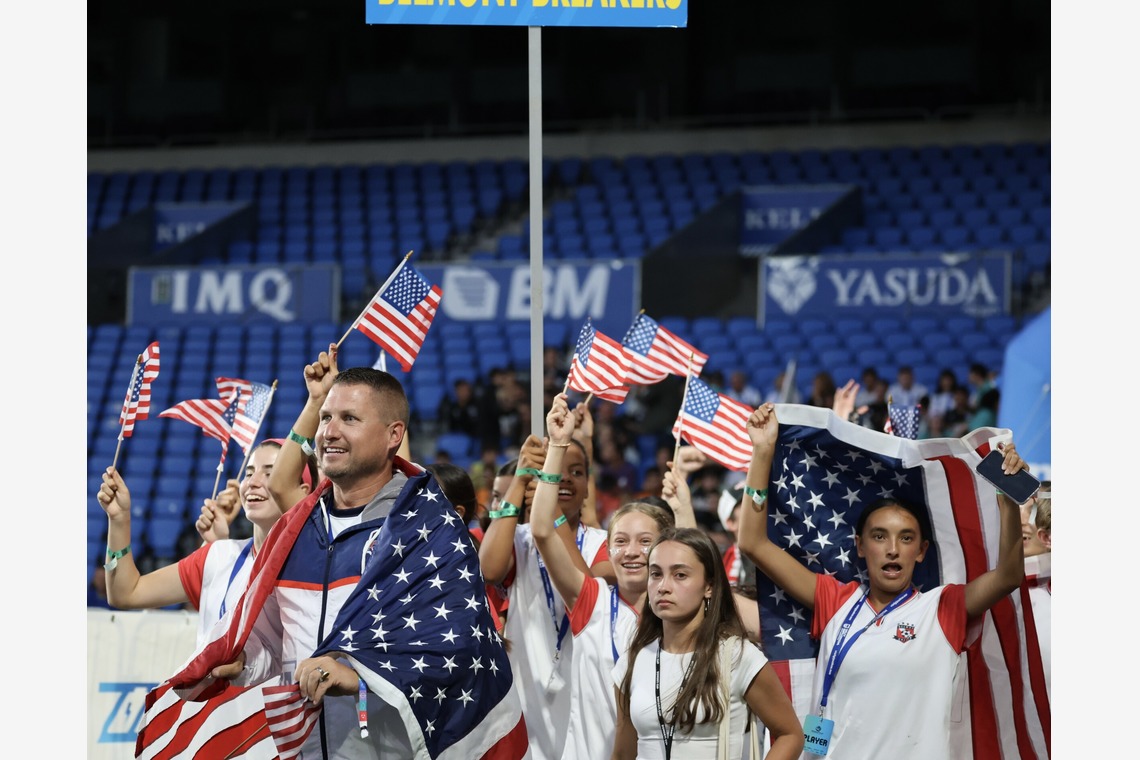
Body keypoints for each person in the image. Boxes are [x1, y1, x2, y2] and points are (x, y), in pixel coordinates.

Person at [736, 402, 1027, 760]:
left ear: (921, 551)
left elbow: (1008, 576)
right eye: (879, 537)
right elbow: (753, 543)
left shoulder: (942, 607)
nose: (892, 549)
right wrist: (762, 452)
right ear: (859, 546)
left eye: (906, 539)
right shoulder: (835, 601)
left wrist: (1008, 497)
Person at [531, 391, 678, 759]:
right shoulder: (592, 600)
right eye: (621, 541)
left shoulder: (679, 615)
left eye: (645, 541)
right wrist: (559, 446)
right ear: (608, 549)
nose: (630, 551)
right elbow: (543, 530)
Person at [478, 424, 616, 760]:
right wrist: (522, 478)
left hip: (586, 688)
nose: (566, 478)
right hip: (527, 690)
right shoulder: (520, 539)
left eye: (577, 472)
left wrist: (548, 504)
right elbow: (489, 569)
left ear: (588, 489)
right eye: (558, 472)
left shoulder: (605, 545)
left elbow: (588, 595)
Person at [96, 440, 313, 647]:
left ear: (303, 491)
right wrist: (119, 519)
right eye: (249, 473)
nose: (253, 482)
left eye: (270, 473)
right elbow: (126, 593)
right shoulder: (219, 555)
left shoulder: (317, 562)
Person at [611, 527, 803, 760]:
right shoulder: (633, 659)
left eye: (680, 575)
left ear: (709, 586)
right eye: (656, 574)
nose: (663, 586)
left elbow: (790, 735)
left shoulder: (737, 656)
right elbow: (623, 750)